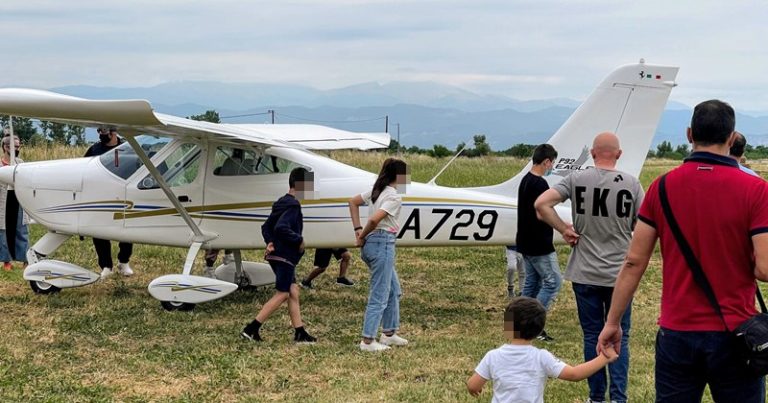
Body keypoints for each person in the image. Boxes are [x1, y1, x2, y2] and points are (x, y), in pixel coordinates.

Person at [597, 100, 768, 402]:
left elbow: (634, 261)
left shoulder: (661, 188)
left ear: (689, 134)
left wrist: (612, 322)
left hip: (677, 331)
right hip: (735, 333)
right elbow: (764, 269)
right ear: (732, 138)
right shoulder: (756, 190)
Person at [535, 132, 643, 403]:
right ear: (618, 155)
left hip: (584, 270)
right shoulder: (631, 184)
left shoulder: (576, 179)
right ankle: (618, 397)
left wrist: (564, 229)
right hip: (619, 273)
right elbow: (641, 224)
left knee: (592, 334)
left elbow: (541, 204)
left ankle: (596, 396)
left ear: (593, 154)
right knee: (620, 334)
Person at [467, 297, 618, 402]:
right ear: (539, 331)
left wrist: (475, 390)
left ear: (507, 327)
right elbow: (574, 374)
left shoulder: (493, 356)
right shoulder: (541, 357)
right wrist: (604, 358)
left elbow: (473, 385)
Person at [241, 167, 316, 343]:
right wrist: (299, 240)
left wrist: (269, 242)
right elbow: (281, 228)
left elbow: (266, 227)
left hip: (276, 254)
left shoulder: (281, 202)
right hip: (285, 257)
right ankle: (251, 329)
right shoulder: (293, 205)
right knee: (282, 293)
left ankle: (300, 332)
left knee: (293, 290)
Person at [349, 158, 409, 352]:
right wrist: (362, 235)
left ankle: (389, 333)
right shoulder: (393, 197)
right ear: (399, 177)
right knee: (380, 294)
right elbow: (375, 220)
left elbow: (353, 202)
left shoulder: (377, 190)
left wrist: (358, 229)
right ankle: (367, 341)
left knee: (394, 290)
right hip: (382, 243)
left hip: (375, 245)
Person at [516, 143, 562, 340]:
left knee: (531, 285)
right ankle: (533, 325)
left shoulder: (526, 180)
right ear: (547, 162)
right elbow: (543, 212)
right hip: (539, 244)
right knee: (553, 282)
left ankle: (517, 323)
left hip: (525, 241)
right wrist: (564, 227)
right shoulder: (540, 184)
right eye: (552, 163)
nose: (552, 167)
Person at [84, 126, 134, 279]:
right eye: (99, 132)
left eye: (104, 131)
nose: (101, 135)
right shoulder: (94, 149)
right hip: (100, 197)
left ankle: (124, 261)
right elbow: (84, 168)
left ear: (114, 132)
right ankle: (106, 265)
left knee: (127, 230)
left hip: (124, 196)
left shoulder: (128, 149)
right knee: (98, 232)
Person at [0, 135, 29, 271]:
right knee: (4, 231)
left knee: (21, 230)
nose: (17, 149)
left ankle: (25, 259)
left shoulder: (21, 163)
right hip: (3, 203)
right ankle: (6, 261)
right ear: (5, 147)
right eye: (14, 147)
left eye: (18, 147)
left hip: (19, 201)